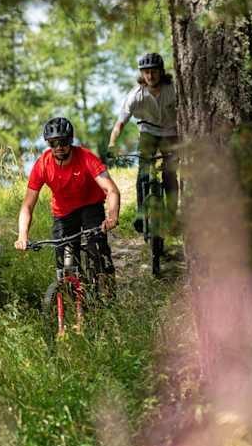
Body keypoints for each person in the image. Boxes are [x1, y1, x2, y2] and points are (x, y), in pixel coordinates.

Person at [15, 116, 120, 288]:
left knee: (97, 250)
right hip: (63, 213)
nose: (58, 147)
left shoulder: (86, 157)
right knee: (64, 265)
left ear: (70, 140)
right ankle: (77, 299)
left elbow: (112, 190)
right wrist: (22, 235)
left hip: (90, 206)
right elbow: (27, 205)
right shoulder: (42, 165)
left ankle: (108, 295)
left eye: (62, 142)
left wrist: (112, 216)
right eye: (53, 143)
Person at [108, 52, 179, 234]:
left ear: (161, 71)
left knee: (170, 174)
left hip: (171, 133)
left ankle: (172, 217)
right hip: (148, 133)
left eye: (153, 71)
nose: (150, 75)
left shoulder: (173, 90)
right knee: (144, 172)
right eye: (146, 72)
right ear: (142, 74)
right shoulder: (136, 95)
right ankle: (141, 213)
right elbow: (120, 123)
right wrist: (112, 143)